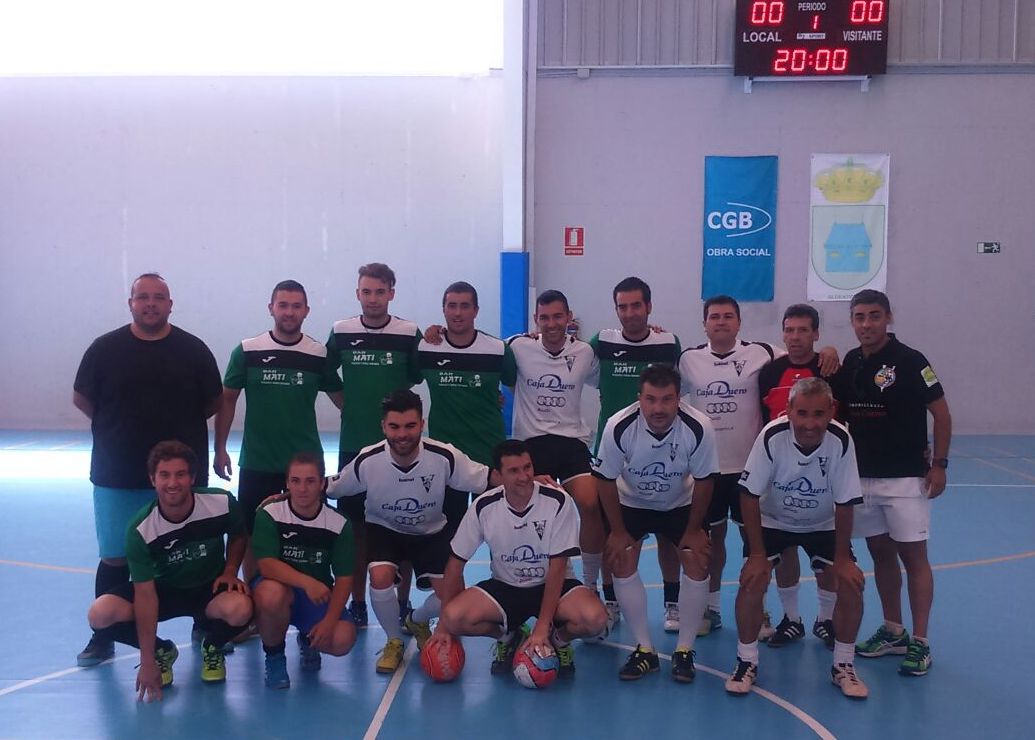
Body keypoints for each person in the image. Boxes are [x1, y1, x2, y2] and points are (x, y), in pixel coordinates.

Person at [73, 273, 222, 666]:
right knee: (115, 557)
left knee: (197, 555)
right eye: (143, 297)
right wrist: (119, 433)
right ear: (131, 303)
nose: (150, 304)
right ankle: (104, 636)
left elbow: (212, 403)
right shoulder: (104, 349)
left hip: (181, 478)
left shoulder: (193, 350)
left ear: (170, 304)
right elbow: (82, 398)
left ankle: (206, 625)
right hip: (117, 473)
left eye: (159, 297)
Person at [679, 295, 838, 638]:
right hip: (707, 469)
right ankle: (711, 608)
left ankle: (761, 611)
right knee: (711, 543)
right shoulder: (688, 360)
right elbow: (665, 394)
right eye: (714, 317)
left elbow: (802, 355)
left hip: (751, 470)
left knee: (756, 546)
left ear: (739, 322)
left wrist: (829, 351)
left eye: (728, 316)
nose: (721, 322)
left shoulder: (763, 354)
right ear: (704, 324)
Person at [326, 390, 492, 674]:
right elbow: (332, 486)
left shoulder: (444, 456)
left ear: (422, 424)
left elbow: (487, 478)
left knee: (454, 597)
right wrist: (288, 495)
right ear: (383, 427)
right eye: (394, 427)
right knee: (380, 576)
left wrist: (530, 481)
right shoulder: (368, 459)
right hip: (385, 530)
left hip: (431, 532)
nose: (402, 434)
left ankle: (416, 619)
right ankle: (394, 641)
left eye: (410, 426)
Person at [832, 289, 951, 677]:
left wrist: (939, 465)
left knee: (914, 559)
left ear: (888, 318)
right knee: (880, 555)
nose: (866, 324)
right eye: (859, 317)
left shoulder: (912, 361)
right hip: (862, 477)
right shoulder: (851, 362)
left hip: (904, 479)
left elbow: (942, 414)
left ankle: (921, 641)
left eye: (874, 316)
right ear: (852, 321)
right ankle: (893, 630)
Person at [725, 378, 869, 699]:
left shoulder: (841, 440)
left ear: (832, 410)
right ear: (789, 410)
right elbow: (748, 495)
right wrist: (757, 555)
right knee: (752, 580)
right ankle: (746, 661)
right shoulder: (771, 437)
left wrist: (843, 560)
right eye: (802, 413)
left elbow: (846, 501)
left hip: (823, 524)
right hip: (774, 520)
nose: (809, 424)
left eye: (818, 414)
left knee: (851, 583)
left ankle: (843, 664)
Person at [83, 441, 252, 702]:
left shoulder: (221, 502)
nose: (173, 483)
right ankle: (162, 651)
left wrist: (230, 571)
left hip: (209, 589)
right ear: (153, 479)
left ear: (192, 477)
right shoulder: (141, 529)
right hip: (163, 591)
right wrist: (147, 659)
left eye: (180, 474)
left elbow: (239, 534)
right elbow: (146, 595)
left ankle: (213, 645)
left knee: (242, 607)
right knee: (100, 614)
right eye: (164, 475)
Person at [430, 440, 607, 678]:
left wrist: (542, 628)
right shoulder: (484, 506)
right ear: (498, 475)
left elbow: (557, 568)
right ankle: (509, 636)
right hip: (506, 587)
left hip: (554, 585)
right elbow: (454, 565)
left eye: (527, 467)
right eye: (514, 471)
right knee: (453, 618)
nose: (524, 477)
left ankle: (558, 640)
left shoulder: (557, 500)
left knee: (595, 620)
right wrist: (443, 626)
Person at [594, 365, 719, 682]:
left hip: (680, 502)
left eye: (667, 399)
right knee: (621, 557)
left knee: (698, 559)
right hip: (632, 501)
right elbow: (605, 479)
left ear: (679, 399)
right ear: (639, 398)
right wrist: (618, 531)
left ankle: (684, 650)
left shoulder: (699, 427)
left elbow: (705, 480)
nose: (658, 408)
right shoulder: (618, 426)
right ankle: (645, 649)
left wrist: (693, 530)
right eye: (650, 399)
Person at [213, 280, 343, 582]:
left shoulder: (318, 354)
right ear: (271, 308)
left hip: (306, 467)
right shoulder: (248, 351)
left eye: (296, 306)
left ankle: (313, 594)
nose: (289, 312)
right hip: (257, 462)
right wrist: (219, 449)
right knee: (251, 531)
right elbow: (227, 399)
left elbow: (344, 402)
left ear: (306, 311)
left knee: (311, 534)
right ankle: (252, 596)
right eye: (283, 305)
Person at [326, 263, 422, 625]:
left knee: (406, 521)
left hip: (400, 448)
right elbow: (325, 372)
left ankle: (403, 602)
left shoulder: (408, 333)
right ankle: (358, 603)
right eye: (366, 292)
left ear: (391, 294)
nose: (373, 299)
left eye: (380, 292)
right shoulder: (341, 331)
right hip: (354, 446)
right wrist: (345, 402)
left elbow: (419, 374)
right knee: (355, 530)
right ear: (357, 294)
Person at [589, 277, 684, 634]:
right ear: (616, 309)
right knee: (613, 535)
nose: (629, 313)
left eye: (636, 305)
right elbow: (565, 356)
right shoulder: (602, 342)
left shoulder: (668, 343)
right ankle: (611, 602)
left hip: (661, 454)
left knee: (667, 537)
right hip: (614, 455)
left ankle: (672, 602)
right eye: (622, 306)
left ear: (649, 306)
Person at [507, 290, 604, 596]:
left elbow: (609, 376)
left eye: (558, 316)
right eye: (545, 318)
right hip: (532, 443)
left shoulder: (585, 353)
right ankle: (552, 574)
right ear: (536, 319)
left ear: (568, 317)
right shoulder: (517, 346)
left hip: (572, 441)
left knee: (590, 503)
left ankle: (590, 583)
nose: (551, 324)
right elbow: (482, 356)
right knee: (538, 510)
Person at [757, 303, 836, 648]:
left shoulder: (830, 368)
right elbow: (761, 420)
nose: (795, 337)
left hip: (823, 479)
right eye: (789, 330)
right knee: (785, 550)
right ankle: (792, 619)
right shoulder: (769, 372)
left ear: (816, 334)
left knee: (827, 559)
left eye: (803, 330)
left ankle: (826, 620)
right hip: (780, 478)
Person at [415, 281, 517, 538]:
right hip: (446, 458)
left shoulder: (497, 350)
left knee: (498, 532)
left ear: (476, 310)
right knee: (447, 535)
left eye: (464, 306)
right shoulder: (427, 348)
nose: (458, 313)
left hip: (489, 453)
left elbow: (517, 386)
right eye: (452, 306)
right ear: (443, 309)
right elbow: (405, 381)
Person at [252, 452, 357, 689]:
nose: (302, 489)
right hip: (280, 590)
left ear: (321, 484)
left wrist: (329, 621)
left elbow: (344, 578)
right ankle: (275, 657)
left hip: (315, 597)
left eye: (310, 481)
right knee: (270, 594)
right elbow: (266, 565)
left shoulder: (339, 523)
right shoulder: (270, 513)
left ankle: (309, 639)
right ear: (287, 483)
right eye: (295, 481)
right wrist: (307, 582)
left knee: (342, 639)